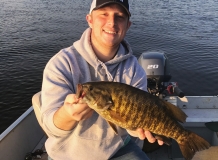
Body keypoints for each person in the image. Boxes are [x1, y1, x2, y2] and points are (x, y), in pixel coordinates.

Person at [40, 0, 163, 159]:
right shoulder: (62, 63)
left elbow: (131, 126)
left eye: (119, 16)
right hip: (67, 155)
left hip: (117, 149)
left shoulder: (134, 69)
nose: (112, 22)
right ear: (89, 20)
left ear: (128, 25)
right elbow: (51, 129)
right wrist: (67, 114)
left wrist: (141, 128)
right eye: (103, 14)